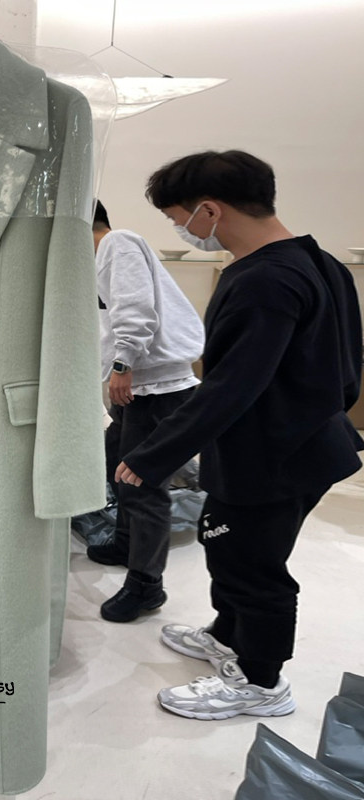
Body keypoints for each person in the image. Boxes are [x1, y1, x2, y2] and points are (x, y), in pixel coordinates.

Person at [114, 150, 363, 719]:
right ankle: (229, 635)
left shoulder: (262, 280)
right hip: (310, 443)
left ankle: (261, 681)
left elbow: (232, 385)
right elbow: (349, 363)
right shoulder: (318, 260)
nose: (181, 229)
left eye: (178, 217)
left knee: (251, 565)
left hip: (273, 454)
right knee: (228, 545)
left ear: (209, 210)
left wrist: (153, 455)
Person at [86, 201, 204, 623]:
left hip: (156, 388)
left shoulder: (117, 243)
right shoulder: (103, 254)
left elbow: (136, 308)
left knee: (142, 484)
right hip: (142, 384)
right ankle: (125, 545)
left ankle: (146, 585)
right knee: (117, 466)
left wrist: (123, 365)